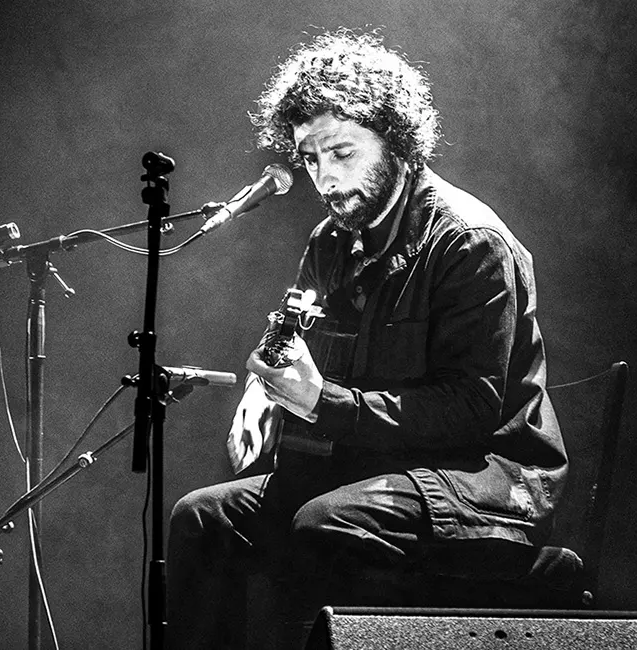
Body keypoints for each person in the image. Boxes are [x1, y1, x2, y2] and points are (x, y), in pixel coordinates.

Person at [166, 30, 571, 649]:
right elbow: (289, 343)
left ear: (398, 142)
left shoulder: (469, 243)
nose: (324, 178)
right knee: (202, 517)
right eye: (309, 158)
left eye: (343, 152)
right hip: (377, 468)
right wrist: (264, 388)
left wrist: (319, 402)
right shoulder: (330, 243)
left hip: (482, 476)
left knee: (325, 524)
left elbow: (469, 410)